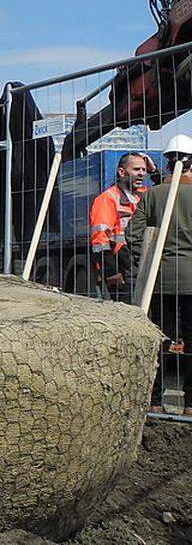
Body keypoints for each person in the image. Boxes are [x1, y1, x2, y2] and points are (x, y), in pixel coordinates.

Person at [126, 135, 192, 415]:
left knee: (159, 339)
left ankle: (154, 400)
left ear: (167, 163)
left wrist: (152, 257)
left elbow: (132, 234)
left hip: (160, 279)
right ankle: (190, 404)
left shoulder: (152, 195)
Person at [90, 152, 158, 300]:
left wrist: (155, 172)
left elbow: (165, 190)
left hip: (141, 264)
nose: (141, 174)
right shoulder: (107, 198)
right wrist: (111, 272)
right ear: (121, 172)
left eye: (144, 170)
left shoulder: (143, 195)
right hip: (122, 269)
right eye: (136, 169)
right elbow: (100, 241)